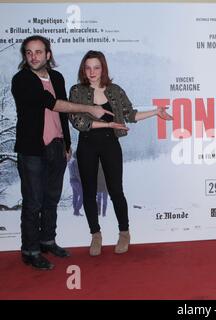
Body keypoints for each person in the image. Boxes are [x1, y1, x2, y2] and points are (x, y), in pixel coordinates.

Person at [11, 35, 116, 270]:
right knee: (33, 202)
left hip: (57, 147)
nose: (33, 56)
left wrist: (67, 144)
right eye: (29, 52)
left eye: (39, 52)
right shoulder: (22, 80)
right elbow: (54, 104)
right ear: (25, 56)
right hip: (32, 150)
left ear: (48, 55)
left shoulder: (57, 77)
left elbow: (63, 117)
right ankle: (30, 250)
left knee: (52, 198)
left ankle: (48, 240)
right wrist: (90, 108)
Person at [69, 50, 172, 256]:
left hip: (110, 144)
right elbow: (77, 121)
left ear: (103, 68)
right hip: (87, 145)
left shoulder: (115, 90)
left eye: (96, 67)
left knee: (116, 190)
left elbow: (130, 114)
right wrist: (106, 124)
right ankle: (95, 235)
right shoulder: (77, 91)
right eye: (88, 67)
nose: (92, 72)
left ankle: (124, 233)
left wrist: (155, 112)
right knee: (88, 192)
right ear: (83, 69)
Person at [68, 152, 83, 216]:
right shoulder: (76, 162)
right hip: (76, 181)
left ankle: (75, 211)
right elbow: (77, 173)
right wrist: (81, 181)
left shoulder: (71, 162)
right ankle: (77, 210)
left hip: (72, 181)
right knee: (82, 195)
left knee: (75, 195)